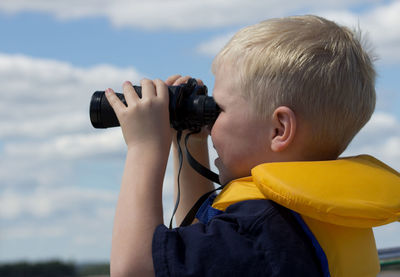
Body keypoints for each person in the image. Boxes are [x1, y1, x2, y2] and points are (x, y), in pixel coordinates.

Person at [105, 15, 400, 277]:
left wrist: (144, 147)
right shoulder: (300, 218)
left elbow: (137, 269)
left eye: (217, 109)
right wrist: (191, 141)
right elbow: (193, 241)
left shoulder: (260, 230)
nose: (209, 123)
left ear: (279, 129)